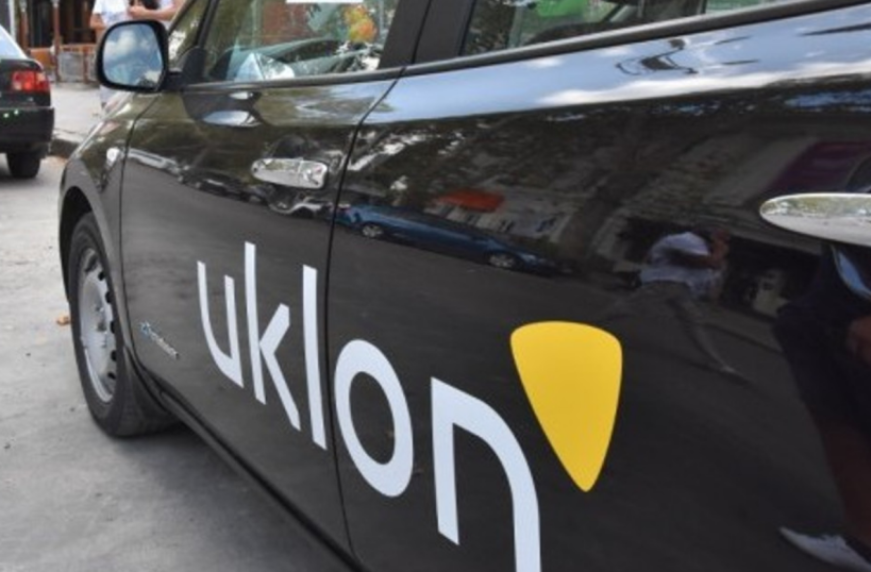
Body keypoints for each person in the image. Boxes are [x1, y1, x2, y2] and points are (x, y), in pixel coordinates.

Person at [775, 248, 871, 572]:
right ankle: (864, 540)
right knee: (836, 409)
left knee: (841, 408)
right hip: (835, 296)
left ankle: (864, 543)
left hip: (853, 306)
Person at [597, 224, 744, 379]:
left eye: (727, 238)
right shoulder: (685, 240)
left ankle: (715, 362)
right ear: (709, 232)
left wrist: (715, 257)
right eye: (722, 236)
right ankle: (591, 325)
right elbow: (709, 263)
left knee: (693, 322)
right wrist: (720, 251)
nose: (724, 240)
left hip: (682, 288)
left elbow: (714, 265)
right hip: (665, 283)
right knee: (628, 307)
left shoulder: (700, 245)